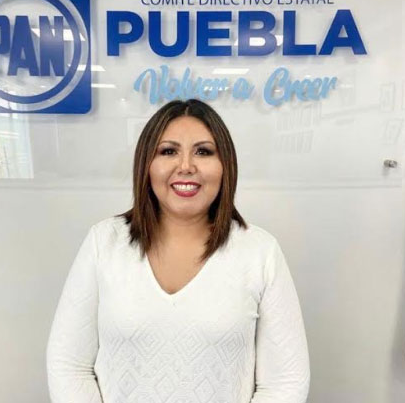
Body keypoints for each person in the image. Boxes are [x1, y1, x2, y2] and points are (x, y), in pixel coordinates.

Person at [46, 99, 310, 403]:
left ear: (226, 166)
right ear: (146, 164)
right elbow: (68, 365)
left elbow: (285, 381)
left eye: (203, 152)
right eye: (168, 151)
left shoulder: (260, 252)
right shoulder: (103, 242)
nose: (186, 166)